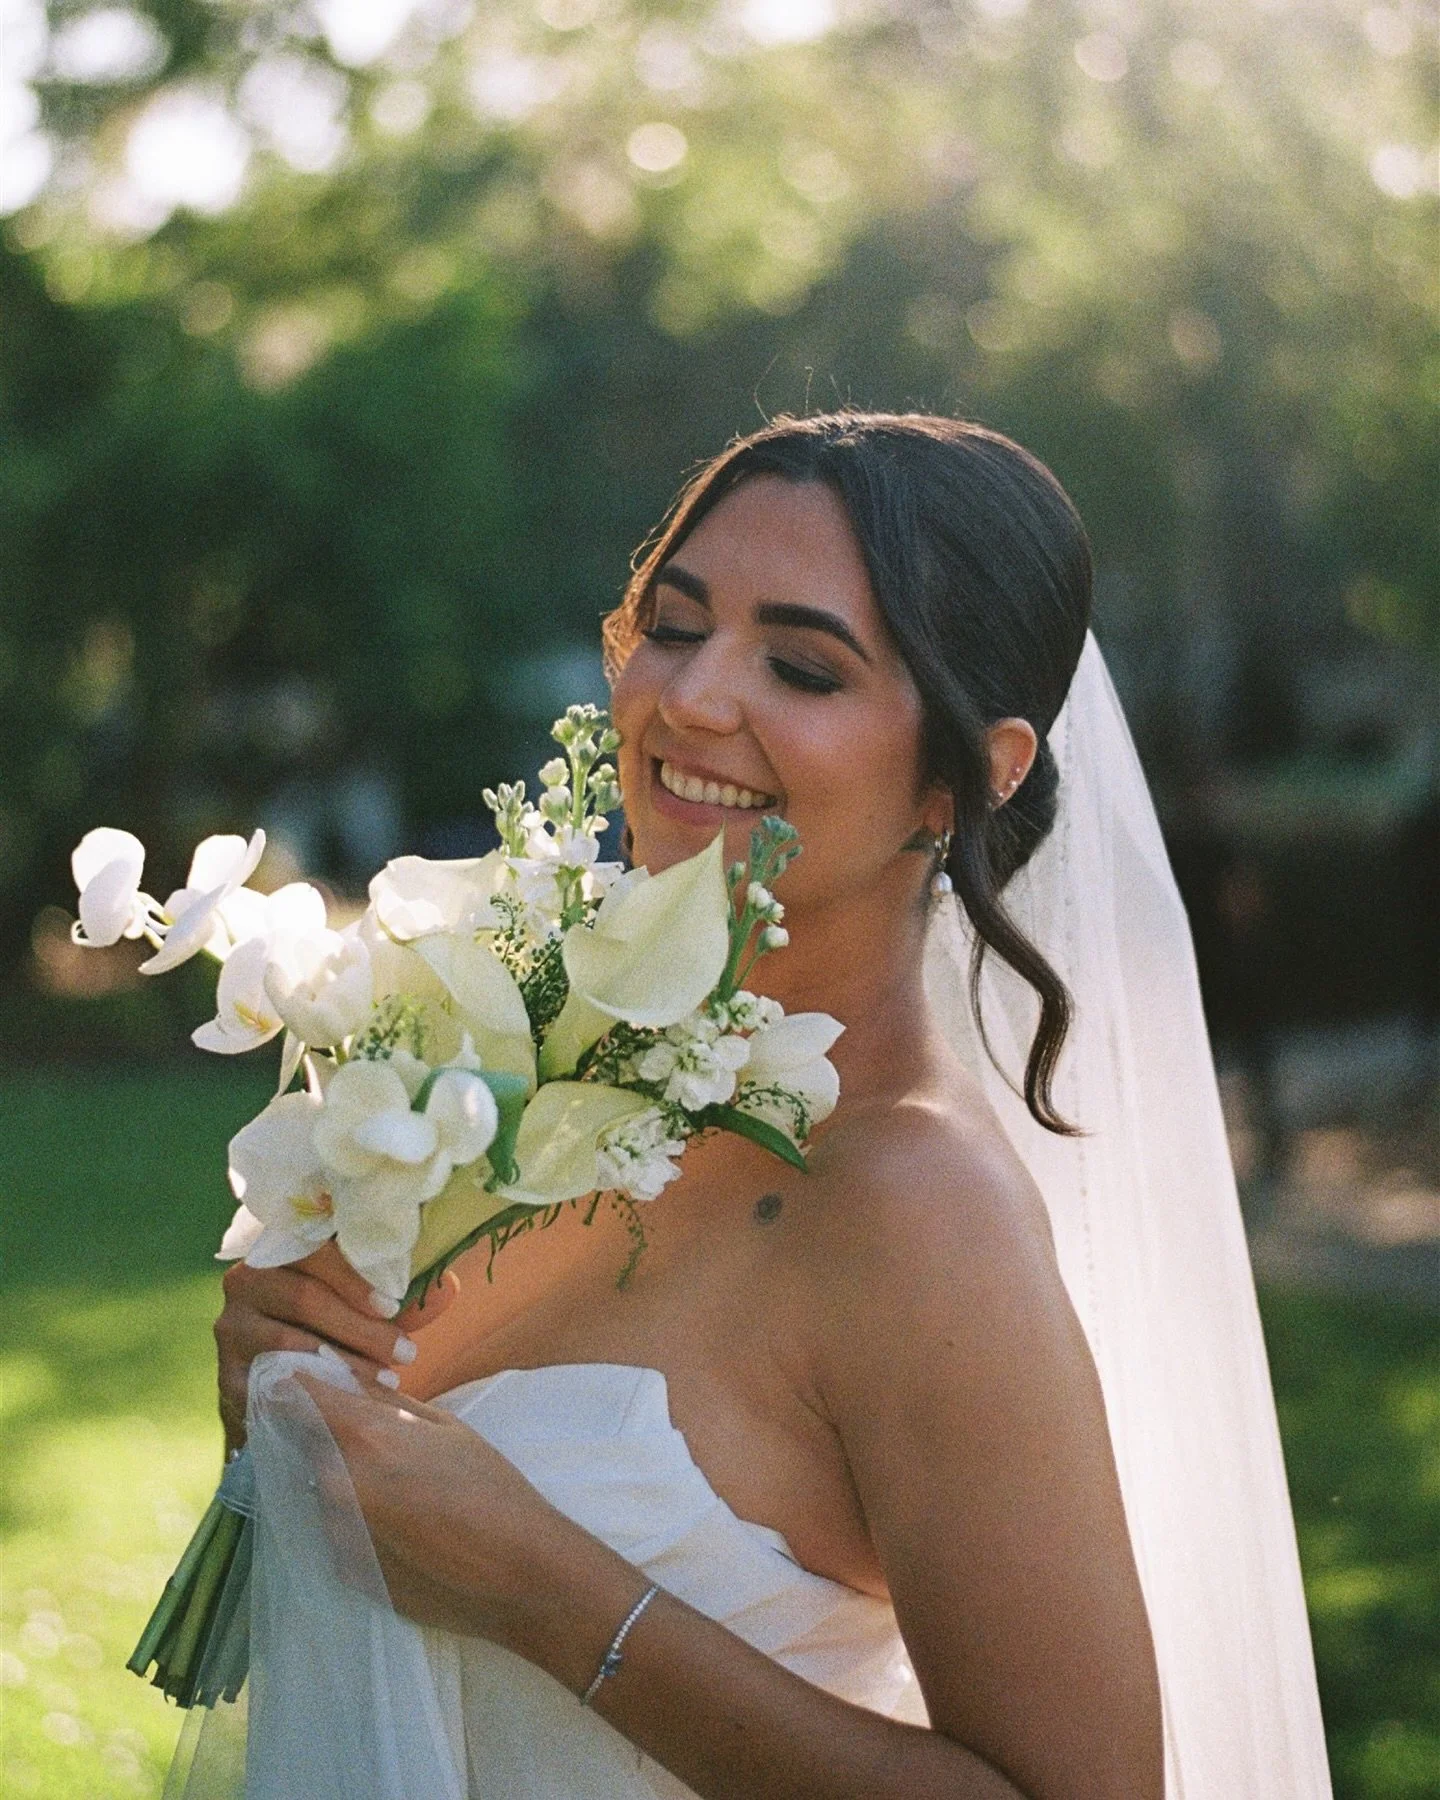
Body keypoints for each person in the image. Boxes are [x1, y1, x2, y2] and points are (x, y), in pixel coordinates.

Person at [195, 413, 1330, 1800]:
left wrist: (543, 1591)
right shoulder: (537, 1060)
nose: (691, 699)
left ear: (975, 772)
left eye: (801, 664)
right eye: (673, 627)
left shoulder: (917, 1214)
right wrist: (286, 1383)